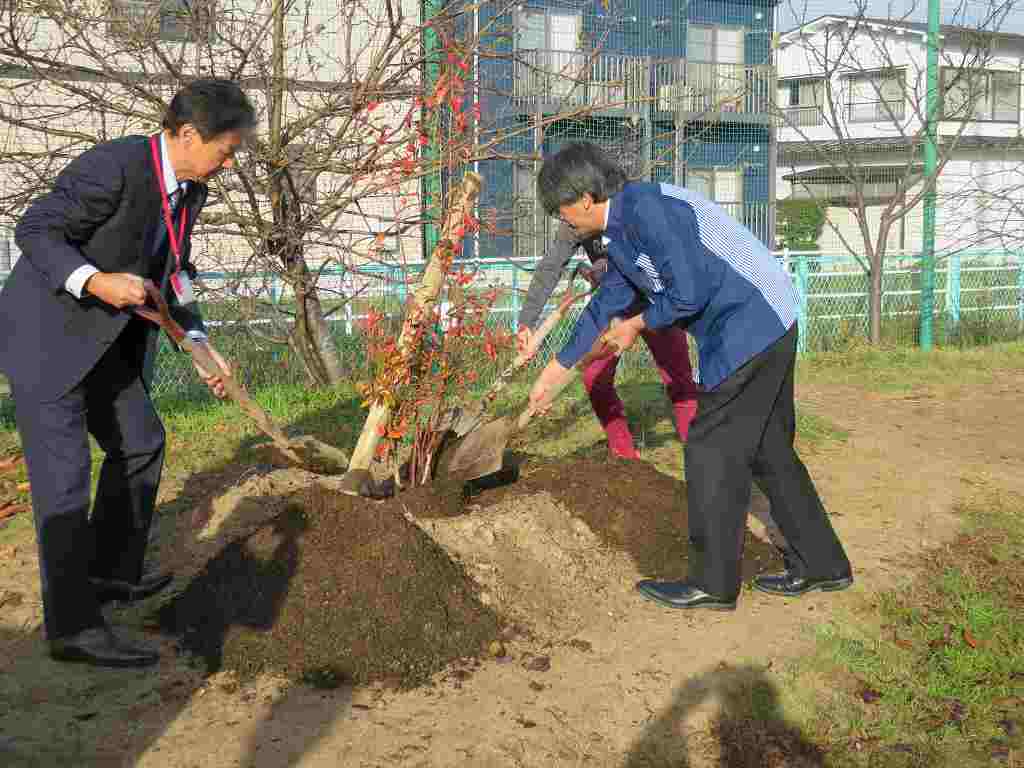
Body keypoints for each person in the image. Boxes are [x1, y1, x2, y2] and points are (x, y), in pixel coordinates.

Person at [529, 142, 852, 611]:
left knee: (709, 448)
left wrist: (637, 324)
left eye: (561, 212)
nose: (564, 222)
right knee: (769, 451)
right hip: (769, 319)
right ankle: (824, 563)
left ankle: (712, 583)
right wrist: (554, 373)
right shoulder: (623, 229)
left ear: (583, 199)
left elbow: (691, 291)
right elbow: (607, 301)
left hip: (749, 323)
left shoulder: (648, 210)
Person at [0, 79, 256, 667]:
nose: (230, 160)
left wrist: (199, 342)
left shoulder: (191, 191)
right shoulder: (113, 166)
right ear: (189, 134)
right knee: (64, 483)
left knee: (141, 442)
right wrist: (96, 279)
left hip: (107, 346)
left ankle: (110, 573)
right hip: (46, 340)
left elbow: (174, 270)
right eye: (228, 148)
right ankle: (72, 629)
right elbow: (35, 229)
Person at [517, 209, 698, 459]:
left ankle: (701, 456)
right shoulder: (572, 217)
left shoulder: (628, 206)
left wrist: (606, 267)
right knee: (595, 378)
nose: (566, 221)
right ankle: (625, 458)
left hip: (654, 299)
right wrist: (527, 322)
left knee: (678, 378)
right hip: (613, 303)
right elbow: (551, 266)